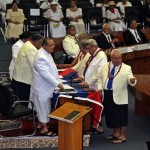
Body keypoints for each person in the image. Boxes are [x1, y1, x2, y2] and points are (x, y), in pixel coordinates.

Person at [98, 49, 136, 144]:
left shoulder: (127, 68)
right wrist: (99, 88)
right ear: (111, 58)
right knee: (112, 116)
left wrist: (132, 81)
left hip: (119, 95)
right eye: (116, 58)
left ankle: (122, 136)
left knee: (121, 117)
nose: (118, 60)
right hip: (107, 94)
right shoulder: (105, 66)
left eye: (120, 58)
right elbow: (100, 78)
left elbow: (131, 79)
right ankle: (115, 133)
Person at [29, 37, 64, 135]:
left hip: (44, 86)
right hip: (42, 87)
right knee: (44, 108)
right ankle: (44, 128)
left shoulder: (45, 53)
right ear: (44, 45)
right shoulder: (41, 56)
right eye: (51, 45)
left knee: (42, 107)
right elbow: (46, 75)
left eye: (53, 44)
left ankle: (41, 124)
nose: (53, 47)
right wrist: (58, 84)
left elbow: (50, 69)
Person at [11, 34, 43, 100]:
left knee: (21, 102)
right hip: (23, 81)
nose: (41, 46)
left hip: (19, 79)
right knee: (23, 103)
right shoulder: (31, 48)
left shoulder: (27, 44)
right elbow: (35, 66)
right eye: (40, 44)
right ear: (36, 42)